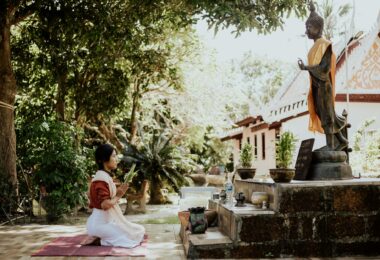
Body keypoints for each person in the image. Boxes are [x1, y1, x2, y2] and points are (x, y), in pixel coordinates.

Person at [297, 1, 348, 151]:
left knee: (327, 115)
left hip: (324, 85)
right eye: (306, 27)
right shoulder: (314, 48)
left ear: (318, 27)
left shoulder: (325, 44)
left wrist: (306, 67)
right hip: (316, 86)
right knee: (321, 112)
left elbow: (324, 69)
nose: (306, 31)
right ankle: (342, 140)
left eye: (309, 27)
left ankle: (331, 147)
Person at [86, 143, 145, 247]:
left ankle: (101, 238)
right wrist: (119, 194)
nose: (116, 158)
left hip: (107, 223)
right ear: (104, 159)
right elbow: (105, 205)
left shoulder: (105, 177)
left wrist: (119, 193)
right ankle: (99, 240)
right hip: (98, 225)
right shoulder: (101, 180)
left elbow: (110, 199)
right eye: (113, 156)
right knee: (129, 240)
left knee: (139, 230)